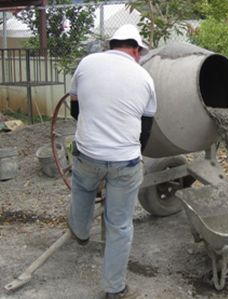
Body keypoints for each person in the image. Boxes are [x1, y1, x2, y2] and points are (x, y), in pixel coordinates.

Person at [68, 24, 157, 299]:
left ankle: (81, 233)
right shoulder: (144, 78)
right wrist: (129, 155)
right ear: (133, 49)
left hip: (87, 154)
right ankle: (113, 288)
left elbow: (75, 108)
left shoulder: (86, 63)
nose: (139, 56)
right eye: (140, 52)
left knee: (82, 191)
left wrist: (95, 134)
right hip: (124, 162)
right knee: (119, 225)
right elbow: (146, 129)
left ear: (112, 45)